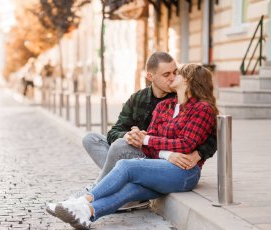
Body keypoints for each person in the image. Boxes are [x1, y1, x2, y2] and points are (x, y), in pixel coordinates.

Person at [47, 63, 219, 230]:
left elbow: (186, 143)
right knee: (131, 188)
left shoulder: (201, 109)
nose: (173, 76)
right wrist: (166, 154)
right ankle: (87, 213)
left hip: (185, 171)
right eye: (169, 73)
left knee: (126, 166)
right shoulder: (164, 106)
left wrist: (147, 140)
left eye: (178, 73)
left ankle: (82, 201)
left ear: (188, 80)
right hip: (160, 163)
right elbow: (148, 146)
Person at [78, 52, 217, 210]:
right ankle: (114, 185)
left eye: (175, 72)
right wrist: (130, 136)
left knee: (120, 148)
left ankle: (98, 189)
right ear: (151, 77)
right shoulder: (139, 98)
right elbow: (115, 131)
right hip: (144, 149)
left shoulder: (183, 97)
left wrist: (198, 154)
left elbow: (210, 134)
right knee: (92, 138)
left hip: (163, 156)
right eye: (166, 74)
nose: (172, 77)